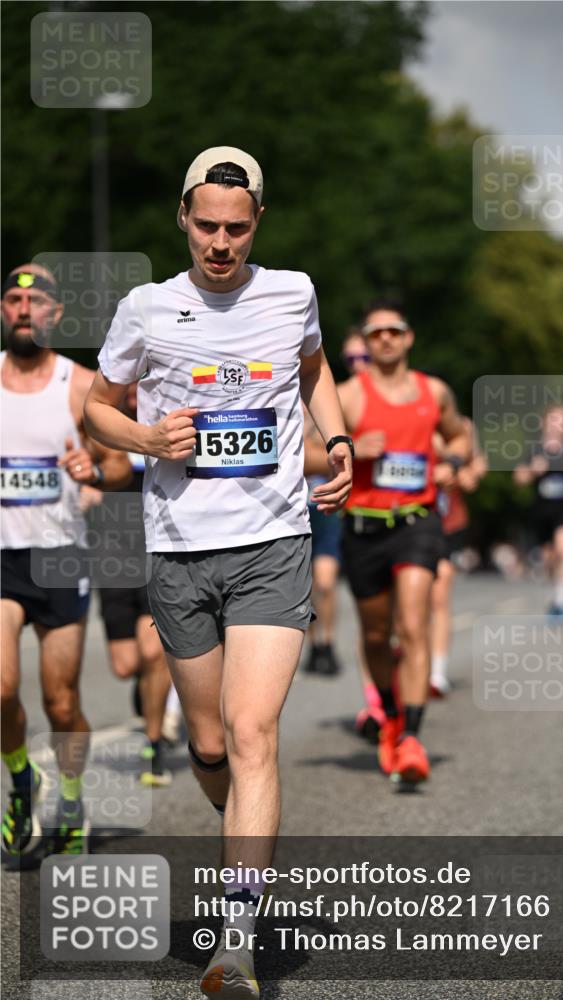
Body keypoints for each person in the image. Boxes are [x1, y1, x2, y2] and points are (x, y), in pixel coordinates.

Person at [83, 147, 352, 999]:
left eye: (237, 229)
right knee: (208, 747)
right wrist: (144, 439)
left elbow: (315, 374)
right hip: (178, 551)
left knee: (252, 734)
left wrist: (337, 443)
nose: (221, 243)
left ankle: (235, 937)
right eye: (207, 226)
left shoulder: (293, 292)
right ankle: (247, 826)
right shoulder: (148, 308)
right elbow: (94, 405)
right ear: (182, 219)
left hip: (273, 543)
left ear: (257, 224)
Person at [1, 264, 131, 859]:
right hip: (4, 557)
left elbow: (124, 463)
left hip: (60, 557)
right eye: (13, 300)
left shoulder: (79, 385)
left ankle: (72, 798)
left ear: (55, 314)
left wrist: (95, 470)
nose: (23, 310)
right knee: (2, 690)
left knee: (61, 702)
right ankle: (23, 781)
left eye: (36, 302)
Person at [337, 300, 469, 784]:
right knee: (376, 635)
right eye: (377, 333)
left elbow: (459, 437)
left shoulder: (434, 392)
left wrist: (451, 465)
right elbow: (305, 449)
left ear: (409, 337)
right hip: (363, 527)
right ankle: (390, 713)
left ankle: (412, 736)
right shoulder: (348, 396)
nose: (386, 339)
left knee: (413, 625)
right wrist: (349, 446)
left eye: (395, 330)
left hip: (417, 521)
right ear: (367, 343)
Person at [95, 381, 175, 785]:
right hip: (112, 555)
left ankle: (154, 743)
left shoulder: (170, 421)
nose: (134, 393)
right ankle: (149, 692)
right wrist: (87, 485)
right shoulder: (104, 426)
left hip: (155, 550)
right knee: (126, 664)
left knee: (152, 652)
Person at [302, 329, 369, 677]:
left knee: (326, 581)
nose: (359, 366)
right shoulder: (296, 398)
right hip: (299, 502)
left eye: (364, 358)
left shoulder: (339, 398)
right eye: (352, 359)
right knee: (307, 584)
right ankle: (314, 645)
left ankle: (327, 640)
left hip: (329, 503)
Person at [430, 420, 487, 698]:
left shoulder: (462, 427)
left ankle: (437, 673)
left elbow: (478, 464)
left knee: (440, 594)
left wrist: (468, 473)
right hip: (407, 517)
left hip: (448, 521)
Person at [513, 404, 563, 619]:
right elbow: (519, 477)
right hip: (542, 512)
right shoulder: (534, 449)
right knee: (549, 559)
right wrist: (532, 471)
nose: (558, 425)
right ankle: (554, 596)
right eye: (554, 420)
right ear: (544, 422)